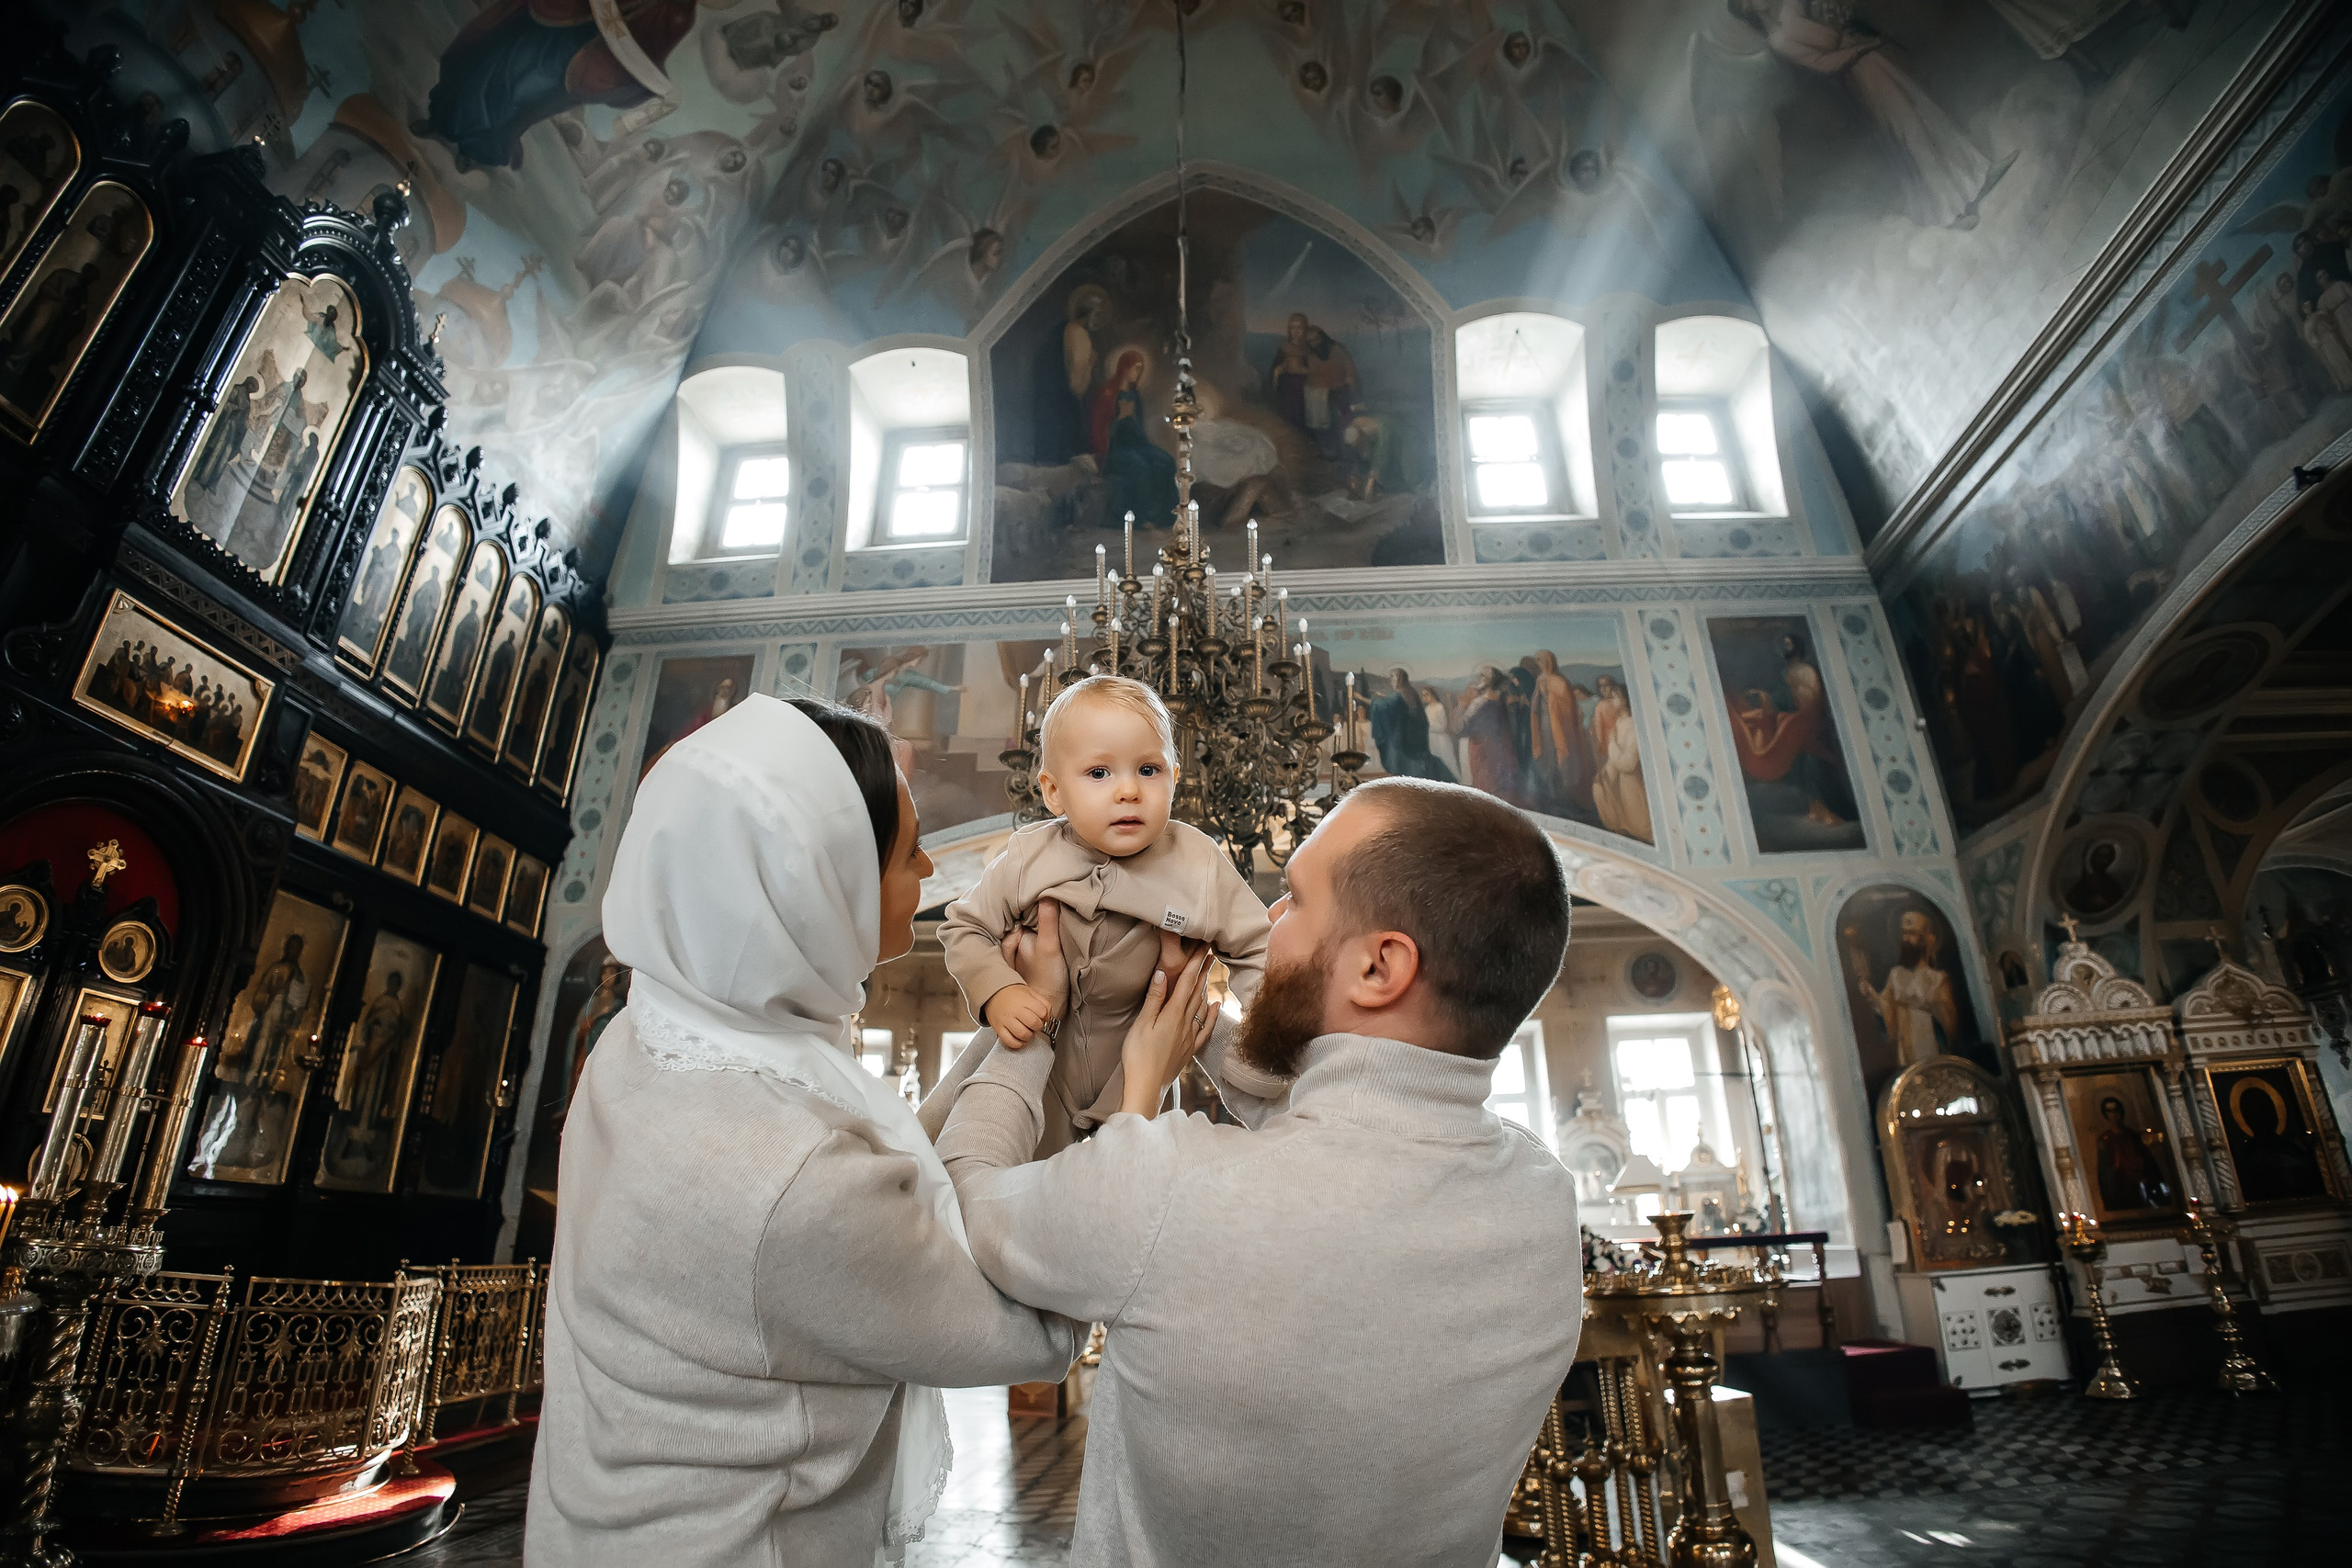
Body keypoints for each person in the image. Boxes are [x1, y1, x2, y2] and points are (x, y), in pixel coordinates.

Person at [937, 776, 1581, 1568]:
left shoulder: (1171, 1185)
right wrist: (1191, 1016)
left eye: (1297, 900)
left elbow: (969, 1192)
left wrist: (1031, 1022)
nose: (1267, 922)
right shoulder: (1543, 1199)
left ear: (1380, 966)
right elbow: (1340, 1133)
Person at [526, 694, 1077, 1565]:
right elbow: (1020, 1323)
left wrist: (1007, 1023)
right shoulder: (786, 1174)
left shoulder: (652, 1038)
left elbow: (886, 1176)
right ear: (819, 881)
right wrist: (1047, 1034)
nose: (932, 868)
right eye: (906, 852)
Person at [927, 676, 1270, 1155]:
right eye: (1099, 773)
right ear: (1054, 792)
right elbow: (965, 927)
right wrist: (998, 990)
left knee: (1121, 1184)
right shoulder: (1030, 855)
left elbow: (1258, 947)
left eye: (1148, 770)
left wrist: (1267, 1027)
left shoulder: (1197, 862)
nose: (1129, 790)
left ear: (1174, 777)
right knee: (1014, 1180)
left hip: (1133, 1072)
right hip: (1041, 1065)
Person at [1859, 908, 1962, 1069]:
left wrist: (1926, 1005)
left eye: (1912, 933)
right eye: (1904, 933)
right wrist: (1872, 996)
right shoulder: (1896, 975)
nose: (1906, 939)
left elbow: (1948, 1021)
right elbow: (1886, 1007)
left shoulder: (1937, 978)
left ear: (1923, 939)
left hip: (1928, 1047)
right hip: (1904, 1050)